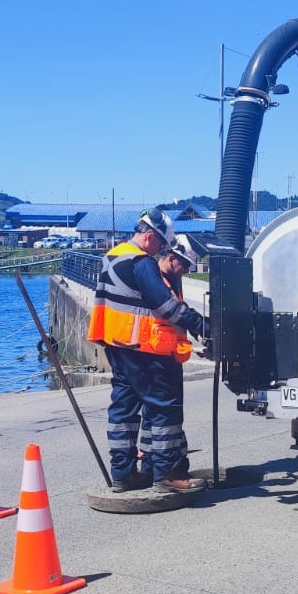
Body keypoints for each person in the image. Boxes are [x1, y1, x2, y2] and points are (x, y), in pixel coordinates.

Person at [87, 209, 212, 494]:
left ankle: (123, 474)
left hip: (118, 346)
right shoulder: (142, 262)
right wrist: (201, 325)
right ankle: (167, 475)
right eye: (161, 244)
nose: (162, 250)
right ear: (148, 236)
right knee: (163, 409)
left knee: (123, 410)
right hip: (144, 348)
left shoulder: (112, 256)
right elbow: (164, 305)